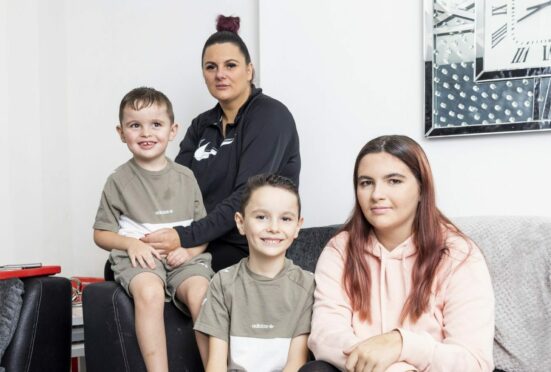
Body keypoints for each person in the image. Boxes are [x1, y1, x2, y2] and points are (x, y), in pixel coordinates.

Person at [301, 135, 495, 372]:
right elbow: (325, 337)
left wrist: (401, 344)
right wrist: (386, 366)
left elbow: (473, 361)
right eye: (366, 183)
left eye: (393, 181)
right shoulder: (339, 250)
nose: (376, 195)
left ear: (422, 189)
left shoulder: (458, 254)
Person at [141, 15, 300, 272]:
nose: (220, 75)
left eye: (231, 65)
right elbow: (178, 187)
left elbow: (247, 195)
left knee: (173, 269)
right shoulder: (201, 124)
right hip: (202, 236)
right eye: (211, 67)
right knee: (122, 264)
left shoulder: (270, 116)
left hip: (246, 243)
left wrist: (188, 238)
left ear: (249, 70)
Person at [93, 87, 213, 371]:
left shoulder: (187, 177)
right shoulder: (118, 181)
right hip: (140, 260)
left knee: (202, 293)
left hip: (183, 259)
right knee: (150, 292)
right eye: (135, 126)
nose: (146, 133)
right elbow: (100, 234)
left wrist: (189, 250)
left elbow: (202, 231)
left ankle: (216, 366)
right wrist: (131, 244)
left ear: (173, 130)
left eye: (155, 125)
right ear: (122, 133)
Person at [194, 174, 314, 372]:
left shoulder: (308, 285)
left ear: (297, 226)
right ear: (241, 222)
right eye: (261, 217)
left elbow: (296, 362)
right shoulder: (222, 283)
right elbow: (215, 364)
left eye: (285, 218)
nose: (273, 228)